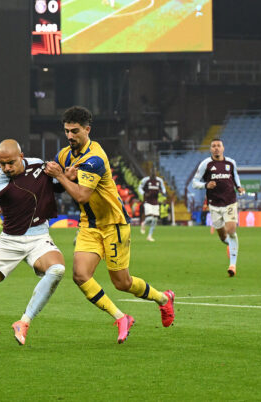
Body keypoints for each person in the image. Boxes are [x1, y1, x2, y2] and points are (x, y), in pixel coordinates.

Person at [45, 105, 174, 344]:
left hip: (114, 224)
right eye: (67, 131)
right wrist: (60, 178)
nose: (70, 136)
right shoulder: (64, 155)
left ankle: (164, 299)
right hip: (89, 225)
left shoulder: (94, 158)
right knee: (80, 275)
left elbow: (82, 195)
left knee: (122, 283)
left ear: (87, 130)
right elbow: (54, 186)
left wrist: (62, 176)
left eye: (75, 131)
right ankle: (121, 317)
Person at [0, 139, 65, 346]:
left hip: (39, 237)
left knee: (57, 270)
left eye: (11, 163)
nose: (7, 168)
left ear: (21, 157)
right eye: (2, 163)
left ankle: (24, 321)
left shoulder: (38, 165)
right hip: (9, 241)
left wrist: (64, 174)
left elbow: (57, 185)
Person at [191, 138, 245, 277]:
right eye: (213, 146)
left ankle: (232, 265)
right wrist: (206, 185)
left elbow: (235, 176)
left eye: (218, 145)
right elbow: (194, 182)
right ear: (210, 149)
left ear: (223, 148)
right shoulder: (206, 164)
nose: (216, 148)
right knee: (222, 236)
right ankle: (230, 245)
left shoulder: (230, 163)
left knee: (231, 230)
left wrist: (239, 187)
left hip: (230, 201)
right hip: (214, 204)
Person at [137, 168, 167, 241]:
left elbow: (163, 189)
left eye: (154, 172)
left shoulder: (159, 180)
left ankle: (149, 236)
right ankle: (143, 223)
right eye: (152, 172)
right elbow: (139, 188)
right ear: (150, 172)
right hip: (147, 201)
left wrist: (163, 192)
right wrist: (144, 193)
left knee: (155, 219)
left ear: (156, 173)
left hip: (155, 202)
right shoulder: (145, 180)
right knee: (150, 217)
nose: (153, 173)